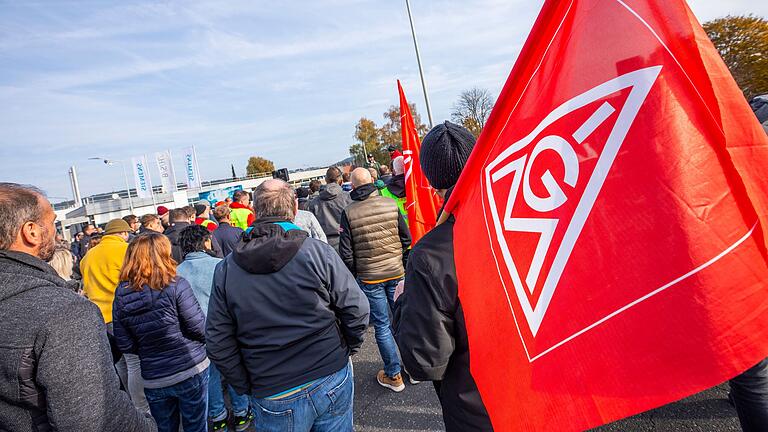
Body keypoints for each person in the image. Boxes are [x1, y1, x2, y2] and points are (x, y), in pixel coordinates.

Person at [206, 179, 369, 432]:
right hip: (325, 373)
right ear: (294, 208)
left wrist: (246, 383)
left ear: (256, 212)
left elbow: (218, 341)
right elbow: (356, 308)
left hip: (276, 386)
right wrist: (347, 347)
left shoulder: (226, 269)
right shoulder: (316, 252)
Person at [0, 183, 156, 432]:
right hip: (104, 320)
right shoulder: (62, 314)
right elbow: (96, 419)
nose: (57, 233)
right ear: (31, 231)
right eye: (51, 222)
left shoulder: (85, 262)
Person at [392, 121, 493, 431]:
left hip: (478, 411)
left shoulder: (430, 255)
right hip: (545, 397)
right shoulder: (526, 216)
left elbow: (424, 361)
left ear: (433, 183)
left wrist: (401, 304)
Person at [112, 233, 209, 432]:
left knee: (164, 427)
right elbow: (199, 327)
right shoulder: (176, 285)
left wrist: (149, 348)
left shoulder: (121, 294)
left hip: (153, 376)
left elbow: (125, 343)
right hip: (189, 367)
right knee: (196, 426)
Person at [339, 168, 411, 392]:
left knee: (382, 325)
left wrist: (357, 273)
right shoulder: (389, 204)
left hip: (370, 277)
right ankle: (413, 368)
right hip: (396, 270)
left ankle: (394, 374)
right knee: (402, 319)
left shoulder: (349, 212)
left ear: (352, 186)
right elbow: (406, 237)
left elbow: (346, 253)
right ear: (372, 181)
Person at [176, 225, 254, 432]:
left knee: (210, 377)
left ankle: (217, 416)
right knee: (235, 371)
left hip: (195, 335)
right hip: (226, 329)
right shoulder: (221, 265)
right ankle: (241, 413)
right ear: (205, 242)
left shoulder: (176, 273)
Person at [80, 218, 149, 413]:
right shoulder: (125, 251)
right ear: (124, 233)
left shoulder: (88, 257)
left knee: (121, 364)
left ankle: (130, 404)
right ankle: (141, 407)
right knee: (135, 362)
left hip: (100, 318)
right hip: (124, 313)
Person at [307, 167, 352, 254]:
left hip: (326, 245)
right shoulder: (348, 198)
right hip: (346, 242)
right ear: (340, 180)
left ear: (326, 180)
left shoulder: (313, 203)